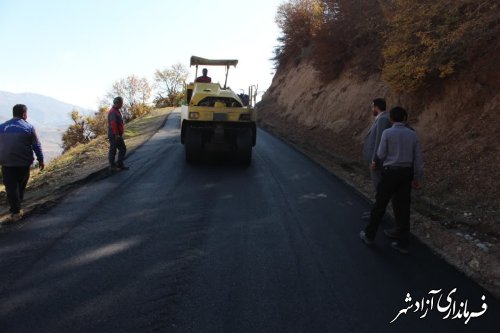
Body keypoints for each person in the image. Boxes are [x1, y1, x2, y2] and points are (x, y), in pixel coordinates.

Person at [360, 106, 424, 254]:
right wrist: (417, 177)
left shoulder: (387, 133)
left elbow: (381, 153)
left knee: (380, 205)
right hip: (406, 174)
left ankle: (369, 235)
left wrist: (376, 163)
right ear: (405, 119)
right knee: (403, 208)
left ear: (391, 119)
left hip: (390, 173)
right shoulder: (412, 134)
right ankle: (403, 244)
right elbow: (418, 158)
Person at [0, 104, 44, 221]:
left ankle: (16, 210)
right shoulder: (29, 127)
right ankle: (17, 209)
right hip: (23, 163)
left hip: (6, 163)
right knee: (20, 186)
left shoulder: (2, 127)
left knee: (11, 188)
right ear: (24, 114)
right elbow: (36, 145)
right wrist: (41, 159)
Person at [361, 98, 391, 219]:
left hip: (377, 162)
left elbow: (379, 141)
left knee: (379, 189)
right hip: (376, 161)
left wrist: (374, 160)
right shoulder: (380, 119)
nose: (372, 109)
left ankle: (377, 215)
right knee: (378, 189)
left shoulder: (383, 119)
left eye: (373, 106)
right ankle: (377, 212)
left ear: (377, 107)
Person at [108, 96, 128, 171]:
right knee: (113, 150)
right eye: (121, 103)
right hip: (114, 135)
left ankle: (119, 164)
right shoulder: (113, 111)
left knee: (122, 149)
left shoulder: (116, 110)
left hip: (117, 135)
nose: (122, 105)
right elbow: (113, 123)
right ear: (117, 103)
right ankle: (112, 166)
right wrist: (116, 134)